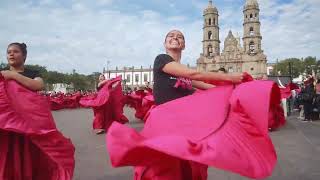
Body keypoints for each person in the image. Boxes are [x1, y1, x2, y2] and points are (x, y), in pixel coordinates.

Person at [107, 30, 282, 179]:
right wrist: (229, 77)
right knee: (166, 167)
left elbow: (207, 87)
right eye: (171, 35)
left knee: (189, 164)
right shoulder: (161, 60)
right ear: (165, 43)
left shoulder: (182, 72)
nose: (175, 37)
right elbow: (195, 74)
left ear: (184, 45)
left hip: (184, 123)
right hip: (165, 120)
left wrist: (234, 91)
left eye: (180, 36)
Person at [0, 42, 75, 179]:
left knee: (32, 152)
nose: (11, 53)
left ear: (24, 56)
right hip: (9, 123)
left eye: (16, 51)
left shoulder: (31, 73)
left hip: (30, 121)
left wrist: (12, 76)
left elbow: (38, 85)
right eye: (9, 51)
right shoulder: (2, 73)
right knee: (10, 154)